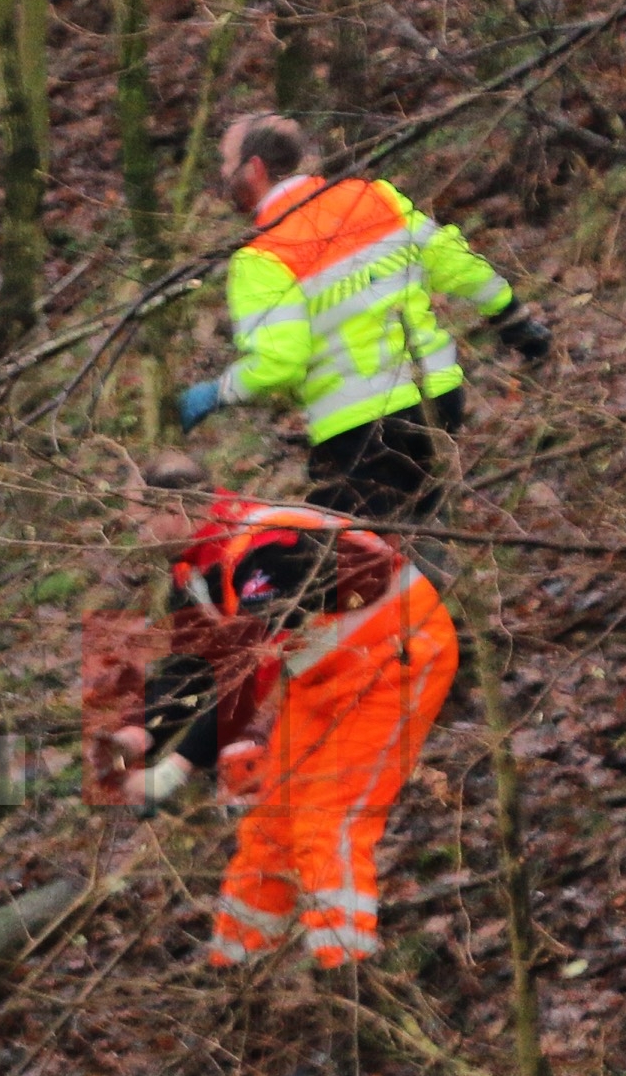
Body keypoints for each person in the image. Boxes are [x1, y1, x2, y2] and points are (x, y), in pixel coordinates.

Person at [102, 453, 458, 969]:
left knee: (327, 820)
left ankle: (349, 969)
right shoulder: (198, 566)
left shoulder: (265, 547)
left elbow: (250, 669)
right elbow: (193, 662)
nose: (134, 535)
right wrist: (143, 732)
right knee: (269, 826)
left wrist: (177, 769)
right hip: (323, 678)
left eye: (138, 519)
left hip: (396, 661)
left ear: (175, 510)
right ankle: (235, 967)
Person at [169, 112, 552, 521]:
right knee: (422, 525)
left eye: (227, 163)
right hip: (437, 395)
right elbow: (459, 265)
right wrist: (513, 320)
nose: (223, 174)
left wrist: (219, 391)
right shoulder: (373, 198)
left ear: (256, 168)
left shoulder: (263, 255)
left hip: (360, 426)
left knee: (363, 559)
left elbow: (281, 363)